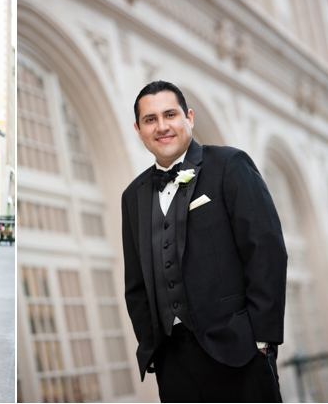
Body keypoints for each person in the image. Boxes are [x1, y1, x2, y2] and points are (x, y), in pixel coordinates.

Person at [121, 80, 286, 402]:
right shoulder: (132, 196)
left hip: (239, 349)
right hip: (174, 363)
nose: (162, 126)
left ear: (189, 118)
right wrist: (153, 347)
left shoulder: (229, 165)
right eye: (150, 119)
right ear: (138, 130)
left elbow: (265, 250)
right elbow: (136, 282)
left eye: (170, 114)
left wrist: (262, 338)